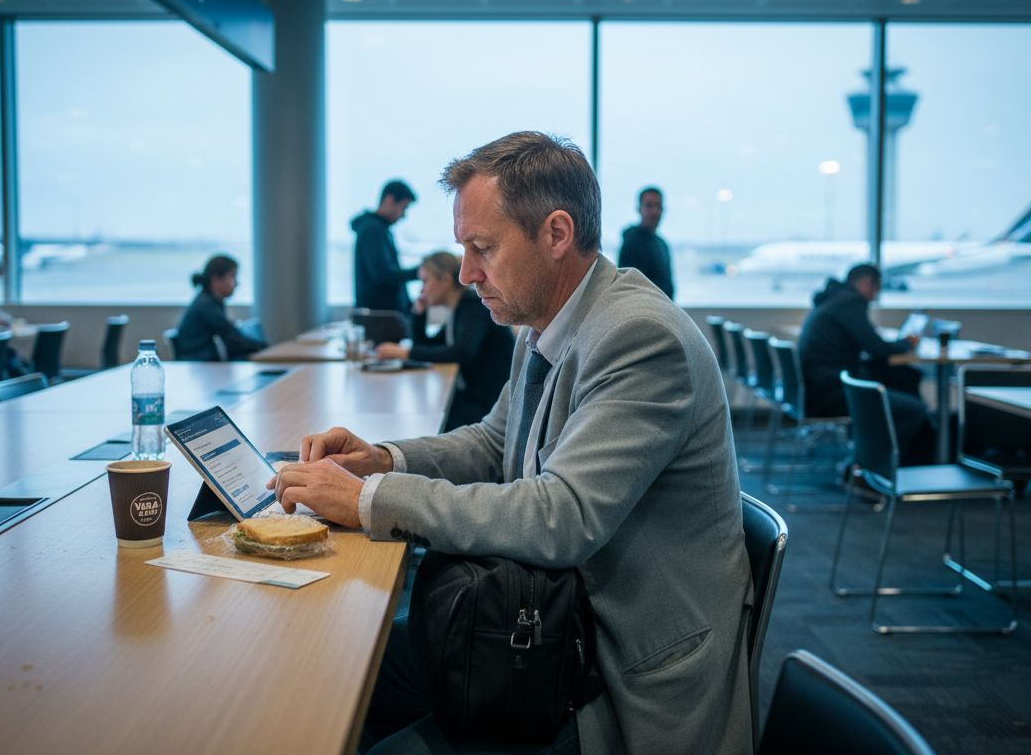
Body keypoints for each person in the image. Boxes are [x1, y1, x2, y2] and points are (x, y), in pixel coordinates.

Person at [270, 132, 752, 754]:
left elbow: (561, 517)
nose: (467, 274)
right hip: (541, 625)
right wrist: (384, 460)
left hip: (608, 673)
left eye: (483, 248)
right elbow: (498, 442)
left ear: (556, 234)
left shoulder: (639, 338)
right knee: (338, 668)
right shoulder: (545, 318)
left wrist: (369, 500)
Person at [798, 263, 934, 466]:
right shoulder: (850, 302)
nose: (876, 296)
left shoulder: (831, 299)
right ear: (866, 283)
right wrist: (905, 343)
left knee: (903, 377)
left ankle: (874, 463)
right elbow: (875, 347)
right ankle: (874, 469)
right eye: (876, 288)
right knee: (912, 409)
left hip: (818, 387)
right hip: (833, 393)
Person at [375, 251, 513, 431]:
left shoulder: (473, 307)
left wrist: (404, 352)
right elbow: (429, 346)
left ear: (445, 280)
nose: (422, 290)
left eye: (425, 281)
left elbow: (460, 353)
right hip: (472, 397)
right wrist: (419, 315)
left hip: (487, 406)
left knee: (419, 421)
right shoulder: (457, 310)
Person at [174, 255, 267, 361]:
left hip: (205, 365)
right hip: (202, 366)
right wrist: (265, 347)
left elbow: (232, 336)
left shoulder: (208, 301)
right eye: (233, 276)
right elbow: (233, 338)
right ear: (216, 279)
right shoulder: (206, 305)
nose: (236, 283)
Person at [354, 180, 419, 313]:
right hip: (381, 317)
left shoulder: (379, 229)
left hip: (383, 316)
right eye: (403, 207)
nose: (404, 215)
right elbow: (383, 274)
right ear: (389, 200)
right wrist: (420, 271)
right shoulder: (373, 230)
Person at [617, 186, 675, 300]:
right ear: (639, 209)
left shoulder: (662, 244)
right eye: (649, 206)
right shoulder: (631, 242)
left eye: (658, 206)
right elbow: (627, 287)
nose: (654, 211)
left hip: (663, 310)